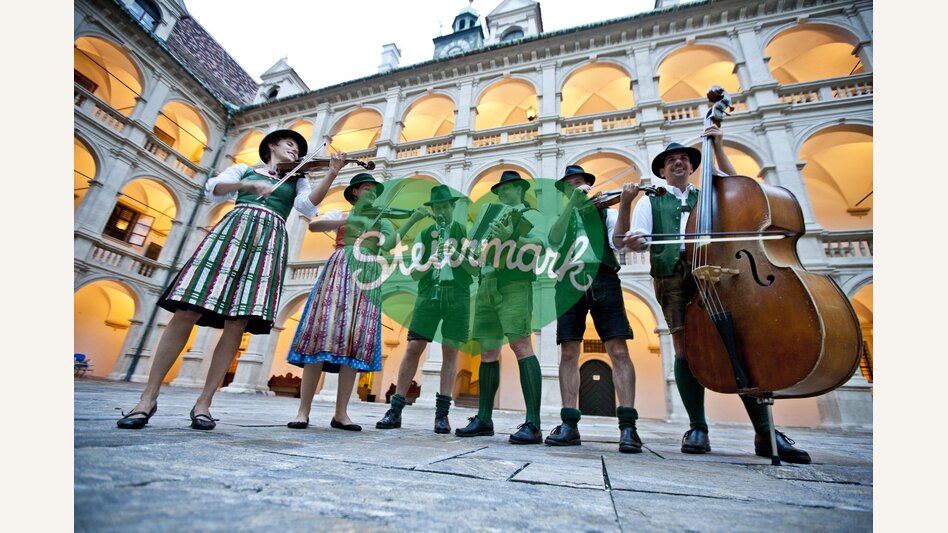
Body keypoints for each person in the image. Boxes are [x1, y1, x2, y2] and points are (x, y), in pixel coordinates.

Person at [117, 130, 341, 430]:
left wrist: (332, 173)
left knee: (238, 323)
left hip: (267, 242)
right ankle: (147, 398)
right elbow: (214, 187)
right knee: (186, 311)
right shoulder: (244, 169)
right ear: (271, 146)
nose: (295, 150)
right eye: (290, 144)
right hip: (231, 234)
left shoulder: (298, 179)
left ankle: (204, 403)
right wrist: (245, 184)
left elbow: (306, 207)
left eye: (298, 148)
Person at [615, 126, 811, 463]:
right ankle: (697, 427)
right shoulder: (650, 200)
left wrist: (718, 147)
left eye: (683, 159)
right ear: (661, 170)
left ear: (692, 166)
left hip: (716, 270)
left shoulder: (710, 194)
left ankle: (765, 431)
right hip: (672, 275)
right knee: (684, 347)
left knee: (737, 344)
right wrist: (637, 241)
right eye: (671, 160)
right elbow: (640, 239)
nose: (678, 163)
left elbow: (745, 190)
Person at [286, 173, 427, 431]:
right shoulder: (341, 213)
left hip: (367, 273)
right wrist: (350, 219)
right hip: (340, 266)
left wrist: (412, 219)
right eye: (367, 189)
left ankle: (341, 413)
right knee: (321, 332)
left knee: (354, 339)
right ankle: (302, 411)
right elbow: (314, 226)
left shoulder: (381, 220)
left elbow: (390, 244)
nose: (373, 194)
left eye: (375, 190)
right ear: (355, 193)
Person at [545, 165, 641, 453]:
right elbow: (554, 239)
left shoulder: (604, 212)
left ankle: (628, 427)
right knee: (569, 351)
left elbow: (618, 242)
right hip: (568, 281)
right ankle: (569, 424)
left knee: (619, 349)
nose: (576, 188)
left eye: (579, 183)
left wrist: (626, 204)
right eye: (569, 186)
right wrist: (571, 207)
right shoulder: (560, 215)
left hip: (603, 276)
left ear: (588, 186)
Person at [455, 170, 547, 444]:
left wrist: (513, 238)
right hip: (487, 283)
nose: (500, 193)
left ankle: (533, 424)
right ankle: (484, 418)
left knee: (521, 346)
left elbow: (540, 246)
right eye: (498, 190)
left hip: (515, 282)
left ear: (519, 188)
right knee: (487, 352)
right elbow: (477, 257)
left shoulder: (532, 215)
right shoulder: (491, 216)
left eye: (505, 188)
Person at [376, 185, 476, 434]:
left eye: (445, 207)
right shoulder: (425, 234)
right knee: (413, 347)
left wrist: (457, 256)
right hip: (428, 293)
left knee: (450, 351)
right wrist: (429, 264)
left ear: (452, 207)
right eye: (437, 207)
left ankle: (442, 414)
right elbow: (414, 273)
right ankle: (395, 409)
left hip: (457, 294)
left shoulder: (465, 232)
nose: (441, 211)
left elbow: (475, 269)